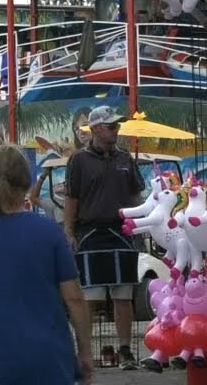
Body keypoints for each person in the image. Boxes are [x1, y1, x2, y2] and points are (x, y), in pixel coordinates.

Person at [0, 144, 93, 384]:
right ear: (26, 181)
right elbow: (74, 297)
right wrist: (84, 351)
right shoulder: (49, 233)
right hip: (47, 360)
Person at [63, 105, 144, 370]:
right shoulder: (79, 160)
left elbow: (136, 196)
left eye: (117, 126)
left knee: (124, 294)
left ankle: (125, 350)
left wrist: (141, 225)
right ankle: (84, 351)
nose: (116, 130)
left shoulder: (125, 158)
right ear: (96, 129)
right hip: (90, 232)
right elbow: (71, 199)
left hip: (121, 231)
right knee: (91, 297)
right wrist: (69, 232)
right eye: (111, 126)